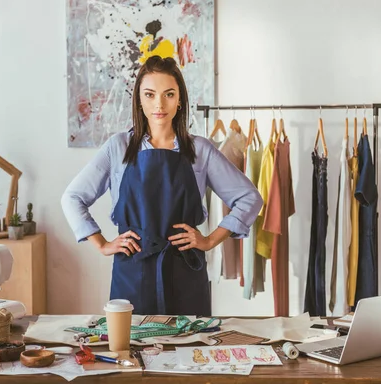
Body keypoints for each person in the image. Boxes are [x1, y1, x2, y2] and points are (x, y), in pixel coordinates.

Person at [62, 56, 263, 316]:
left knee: (189, 351)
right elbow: (73, 197)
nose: (159, 104)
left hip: (185, 274)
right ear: (139, 100)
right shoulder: (118, 147)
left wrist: (210, 240)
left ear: (179, 100)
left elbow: (249, 198)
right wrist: (101, 244)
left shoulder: (200, 150)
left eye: (169, 94)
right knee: (133, 351)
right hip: (132, 273)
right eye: (150, 94)